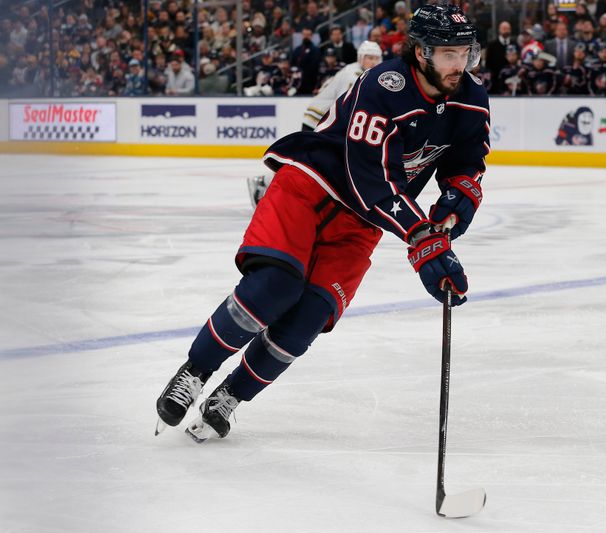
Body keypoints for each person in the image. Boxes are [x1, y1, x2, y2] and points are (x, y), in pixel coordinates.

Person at [155, 4, 490, 442]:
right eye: (448, 53)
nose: (459, 64)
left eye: (465, 53)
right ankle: (195, 371)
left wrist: (451, 213)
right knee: (275, 287)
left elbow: (467, 165)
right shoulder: (384, 85)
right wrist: (421, 236)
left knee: (309, 316)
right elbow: (369, 175)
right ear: (421, 52)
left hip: (361, 223)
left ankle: (230, 397)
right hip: (312, 187)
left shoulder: (471, 97)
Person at [247, 41, 384, 207]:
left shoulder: (362, 73)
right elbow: (348, 106)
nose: (374, 62)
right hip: (318, 121)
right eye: (369, 58)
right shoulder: (352, 75)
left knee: (311, 164)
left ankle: (266, 183)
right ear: (360, 58)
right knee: (307, 165)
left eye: (377, 58)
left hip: (324, 120)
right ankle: (265, 182)